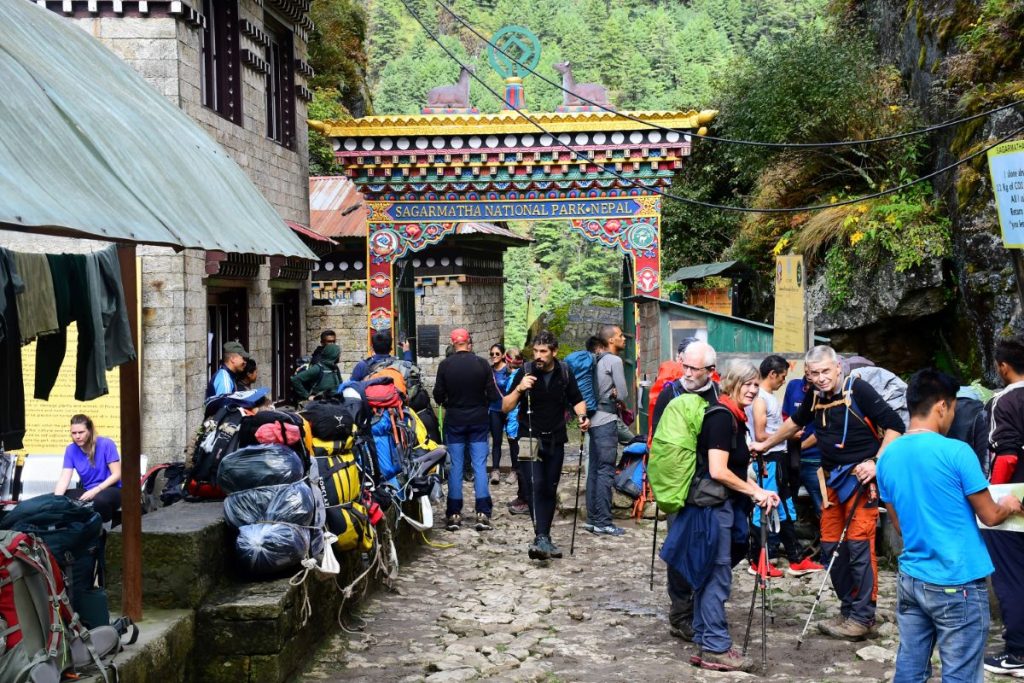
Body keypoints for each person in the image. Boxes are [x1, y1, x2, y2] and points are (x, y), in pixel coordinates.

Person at [877, 369, 1023, 683]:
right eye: (954, 407)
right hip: (957, 583)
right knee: (961, 674)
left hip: (912, 579)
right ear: (942, 406)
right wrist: (1009, 503)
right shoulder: (957, 452)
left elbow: (899, 526)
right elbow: (990, 515)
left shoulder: (887, 457)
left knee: (911, 669)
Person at [751, 345, 904, 641]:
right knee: (832, 547)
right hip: (832, 481)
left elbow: (895, 426)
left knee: (859, 548)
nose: (821, 379)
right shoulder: (815, 396)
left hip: (861, 482)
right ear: (807, 374)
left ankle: (862, 617)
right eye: (814, 373)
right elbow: (796, 422)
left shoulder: (858, 390)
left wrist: (875, 463)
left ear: (837, 368)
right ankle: (848, 610)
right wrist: (766, 444)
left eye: (825, 372)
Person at [690, 359, 780, 673]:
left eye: (756, 384)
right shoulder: (721, 417)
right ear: (731, 383)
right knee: (717, 575)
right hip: (714, 510)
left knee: (713, 572)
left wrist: (759, 490)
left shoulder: (735, 417)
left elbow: (735, 469)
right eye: (748, 383)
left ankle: (703, 636)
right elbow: (717, 470)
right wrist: (754, 492)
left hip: (723, 507)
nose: (754, 390)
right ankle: (715, 646)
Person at [651, 339, 719, 642]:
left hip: (711, 485)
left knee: (709, 548)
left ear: (712, 371)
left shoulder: (719, 396)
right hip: (681, 488)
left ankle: (703, 606)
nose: (688, 373)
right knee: (679, 550)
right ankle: (680, 614)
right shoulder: (670, 393)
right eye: (686, 366)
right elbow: (660, 442)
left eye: (695, 368)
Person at [502, 330, 589, 560]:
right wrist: (520, 388)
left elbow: (577, 399)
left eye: (543, 352)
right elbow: (505, 406)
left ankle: (545, 536)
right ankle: (540, 536)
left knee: (550, 487)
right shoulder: (526, 371)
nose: (538, 356)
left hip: (556, 438)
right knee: (535, 484)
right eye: (535, 351)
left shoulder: (565, 372)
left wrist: (582, 416)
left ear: (554, 352)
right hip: (528, 437)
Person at [746, 355, 823, 577]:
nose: (783, 381)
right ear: (772, 374)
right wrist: (788, 436)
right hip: (768, 461)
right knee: (766, 508)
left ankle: (795, 558)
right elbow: (760, 435)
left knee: (785, 509)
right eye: (782, 377)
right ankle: (756, 560)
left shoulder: (768, 396)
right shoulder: (760, 398)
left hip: (780, 460)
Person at [983, 335, 1024, 676]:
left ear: (1003, 367)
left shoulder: (1004, 402)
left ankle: (1018, 653)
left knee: (1011, 576)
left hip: (1016, 498)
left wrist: (996, 498)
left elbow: (1007, 455)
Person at [433, 328, 500, 532]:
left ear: (453, 343)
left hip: (455, 420)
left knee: (456, 467)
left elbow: (437, 395)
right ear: (468, 342)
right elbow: (493, 394)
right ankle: (482, 512)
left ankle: (454, 513)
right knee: (479, 465)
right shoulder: (482, 365)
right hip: (479, 420)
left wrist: (449, 401)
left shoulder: (445, 365)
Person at [584, 324, 628, 536]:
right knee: (606, 470)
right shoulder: (614, 360)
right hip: (606, 419)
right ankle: (603, 521)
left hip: (592, 419)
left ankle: (592, 519)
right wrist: (615, 392)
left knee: (594, 469)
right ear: (610, 340)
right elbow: (623, 394)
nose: (624, 338)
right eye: (620, 336)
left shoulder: (595, 359)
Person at [55, 414, 122, 523]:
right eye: (74, 433)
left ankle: (102, 530)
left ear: (90, 431)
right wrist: (56, 500)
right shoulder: (70, 450)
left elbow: (117, 474)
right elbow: (64, 479)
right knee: (56, 499)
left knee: (99, 501)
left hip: (113, 489)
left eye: (81, 432)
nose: (77, 436)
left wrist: (95, 491)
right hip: (88, 490)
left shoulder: (106, 444)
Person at [782, 369, 824, 514]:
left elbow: (822, 431)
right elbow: (786, 417)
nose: (808, 370)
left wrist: (801, 447)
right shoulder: (793, 386)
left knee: (822, 505)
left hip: (814, 459)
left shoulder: (825, 391)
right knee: (788, 501)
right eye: (806, 366)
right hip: (792, 457)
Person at [488, 344, 520, 487]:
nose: (494, 356)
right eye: (492, 354)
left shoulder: (508, 371)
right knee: (496, 441)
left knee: (513, 440)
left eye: (497, 354)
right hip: (494, 410)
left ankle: (514, 470)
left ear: (502, 356)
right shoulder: (489, 371)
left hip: (509, 410)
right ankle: (495, 470)